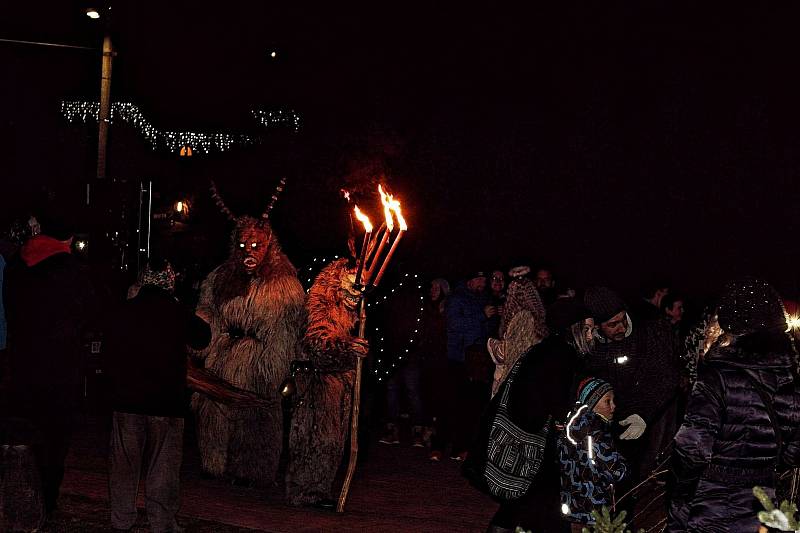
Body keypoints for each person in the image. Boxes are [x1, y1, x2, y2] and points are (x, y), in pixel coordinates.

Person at [667, 278, 800, 533]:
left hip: (713, 506)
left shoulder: (716, 378)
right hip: (764, 506)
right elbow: (793, 453)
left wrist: (679, 501)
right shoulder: (789, 380)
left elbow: (691, 451)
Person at [105, 261, 211, 532]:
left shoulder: (124, 310)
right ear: (170, 282)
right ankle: (161, 521)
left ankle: (121, 518)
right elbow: (203, 337)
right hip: (166, 402)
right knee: (163, 467)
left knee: (124, 465)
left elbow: (108, 347)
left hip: (127, 400)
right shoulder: (175, 311)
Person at [3, 211, 95, 516]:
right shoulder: (71, 271)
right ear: (68, 239)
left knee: (24, 438)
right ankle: (46, 501)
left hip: (22, 366)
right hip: (59, 369)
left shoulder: (17, 266)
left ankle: (22, 500)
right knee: (54, 442)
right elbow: (87, 316)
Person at [481, 298, 586, 532]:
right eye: (587, 328)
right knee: (540, 503)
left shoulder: (546, 349)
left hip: (531, 437)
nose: (591, 335)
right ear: (574, 327)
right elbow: (554, 398)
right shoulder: (561, 354)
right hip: (536, 440)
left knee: (524, 502)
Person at [583, 287, 678, 481]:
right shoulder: (591, 345)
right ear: (597, 327)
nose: (622, 327)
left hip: (646, 419)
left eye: (623, 319)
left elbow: (667, 378)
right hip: (610, 422)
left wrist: (644, 413)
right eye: (613, 324)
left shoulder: (649, 333)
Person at [431, 271, 489, 461]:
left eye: (484, 279)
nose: (483, 282)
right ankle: (438, 446)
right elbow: (455, 324)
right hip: (456, 359)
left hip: (476, 362)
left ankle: (460, 447)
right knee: (448, 403)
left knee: (468, 407)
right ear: (471, 280)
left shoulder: (483, 299)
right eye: (479, 278)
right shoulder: (457, 299)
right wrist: (482, 315)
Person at [558, 377, 628, 532]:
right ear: (592, 403)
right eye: (607, 401)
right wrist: (625, 464)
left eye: (613, 400)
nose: (613, 406)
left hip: (573, 506)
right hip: (595, 508)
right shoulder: (595, 432)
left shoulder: (572, 425)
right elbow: (614, 471)